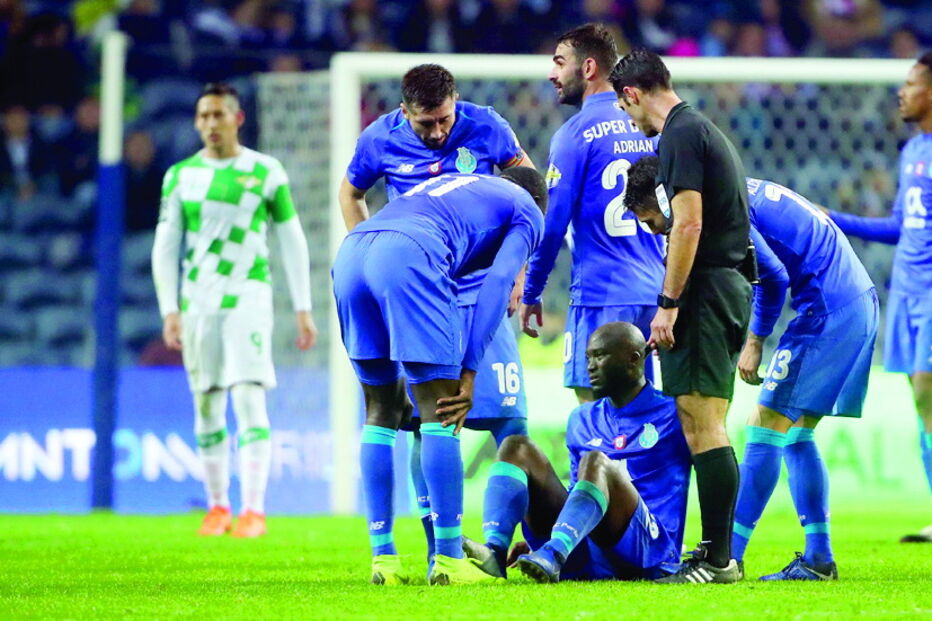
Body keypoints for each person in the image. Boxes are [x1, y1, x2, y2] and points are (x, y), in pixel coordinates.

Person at [626, 156, 879, 580]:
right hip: (856, 299)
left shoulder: (723, 203)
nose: (657, 232)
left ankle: (730, 556)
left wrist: (755, 342)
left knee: (763, 425)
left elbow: (774, 276)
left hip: (827, 309)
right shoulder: (736, 186)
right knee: (797, 434)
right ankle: (818, 557)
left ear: (667, 201)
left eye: (654, 222)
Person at [338, 63, 536, 562]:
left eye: (445, 120)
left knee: (508, 422)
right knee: (427, 417)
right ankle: (442, 553)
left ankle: (485, 545)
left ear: (456, 102)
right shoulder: (378, 139)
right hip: (418, 283)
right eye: (426, 125)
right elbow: (350, 192)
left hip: (441, 275)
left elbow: (526, 179)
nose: (439, 132)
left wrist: (519, 276)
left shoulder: (487, 126)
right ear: (403, 112)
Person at [611, 48, 753, 583]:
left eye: (627, 111)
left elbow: (687, 226)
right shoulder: (701, 129)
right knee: (701, 422)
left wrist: (667, 305)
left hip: (707, 290)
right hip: (725, 286)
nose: (631, 121)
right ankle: (715, 552)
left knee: (704, 424)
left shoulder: (678, 134)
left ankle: (719, 560)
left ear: (632, 94)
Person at [151, 83, 317, 538]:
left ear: (237, 119)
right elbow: (165, 248)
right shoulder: (180, 176)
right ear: (196, 121)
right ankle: (218, 507)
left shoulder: (265, 171)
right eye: (203, 116)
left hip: (248, 296)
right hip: (197, 302)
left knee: (247, 396)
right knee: (206, 404)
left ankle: (255, 511)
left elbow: (291, 238)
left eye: (219, 115)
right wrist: (170, 308)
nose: (210, 124)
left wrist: (303, 307)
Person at [463, 322, 690, 583]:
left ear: (633, 359)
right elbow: (578, 493)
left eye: (600, 356)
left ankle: (554, 553)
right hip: (587, 551)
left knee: (596, 461)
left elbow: (715, 474)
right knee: (516, 447)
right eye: (587, 357)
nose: (590, 366)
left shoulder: (674, 414)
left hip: (648, 551)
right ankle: (496, 552)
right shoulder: (582, 418)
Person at [520, 23, 664, 403]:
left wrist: (531, 291)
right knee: (652, 420)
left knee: (595, 420)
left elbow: (552, 228)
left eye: (559, 63)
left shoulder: (575, 133)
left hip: (602, 297)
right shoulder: (652, 128)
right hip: (657, 297)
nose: (552, 74)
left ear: (587, 69)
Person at [827, 52, 932, 544]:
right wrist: (832, 218)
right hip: (906, 294)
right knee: (922, 400)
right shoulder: (913, 151)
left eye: (911, 84)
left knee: (929, 392)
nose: (901, 93)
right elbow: (898, 226)